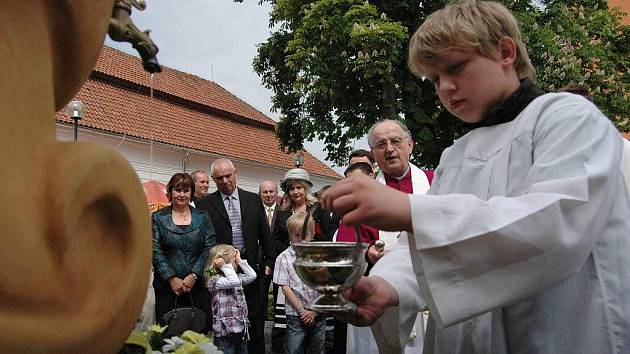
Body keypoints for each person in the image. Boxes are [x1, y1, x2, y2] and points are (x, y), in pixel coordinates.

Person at [321, 1, 630, 353]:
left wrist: (410, 211)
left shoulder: (567, 118)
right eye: (435, 78)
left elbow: (558, 221)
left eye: (455, 68)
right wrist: (388, 285)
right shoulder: (456, 155)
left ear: (505, 52)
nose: (445, 88)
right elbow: (426, 249)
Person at [196, 158, 275, 353]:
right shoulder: (205, 204)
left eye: (228, 176)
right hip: (221, 271)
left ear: (235, 173)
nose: (225, 180)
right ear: (214, 180)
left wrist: (270, 260)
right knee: (227, 324)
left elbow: (265, 233)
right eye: (219, 178)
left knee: (255, 319)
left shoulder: (253, 200)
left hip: (249, 267)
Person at [152, 172, 215, 330]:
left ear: (192, 193)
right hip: (167, 288)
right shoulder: (158, 217)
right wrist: (171, 278)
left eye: (186, 190)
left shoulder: (203, 217)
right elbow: (155, 249)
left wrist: (194, 275)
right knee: (167, 337)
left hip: (198, 286)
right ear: (170, 192)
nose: (182, 194)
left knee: (198, 337)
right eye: (177, 190)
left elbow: (209, 247)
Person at [273, 213, 326, 354]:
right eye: (297, 235)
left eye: (305, 235)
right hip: (296, 315)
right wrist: (303, 311)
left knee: (318, 349)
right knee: (294, 349)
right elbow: (285, 288)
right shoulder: (283, 258)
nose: (301, 239)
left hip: (318, 314)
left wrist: (313, 311)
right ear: (290, 235)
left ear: (313, 234)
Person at [206, 244, 257, 354]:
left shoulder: (236, 277)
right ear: (224, 263)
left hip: (240, 331)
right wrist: (225, 266)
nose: (237, 263)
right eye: (234, 260)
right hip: (225, 334)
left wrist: (240, 261)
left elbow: (252, 276)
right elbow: (233, 282)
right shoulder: (216, 281)